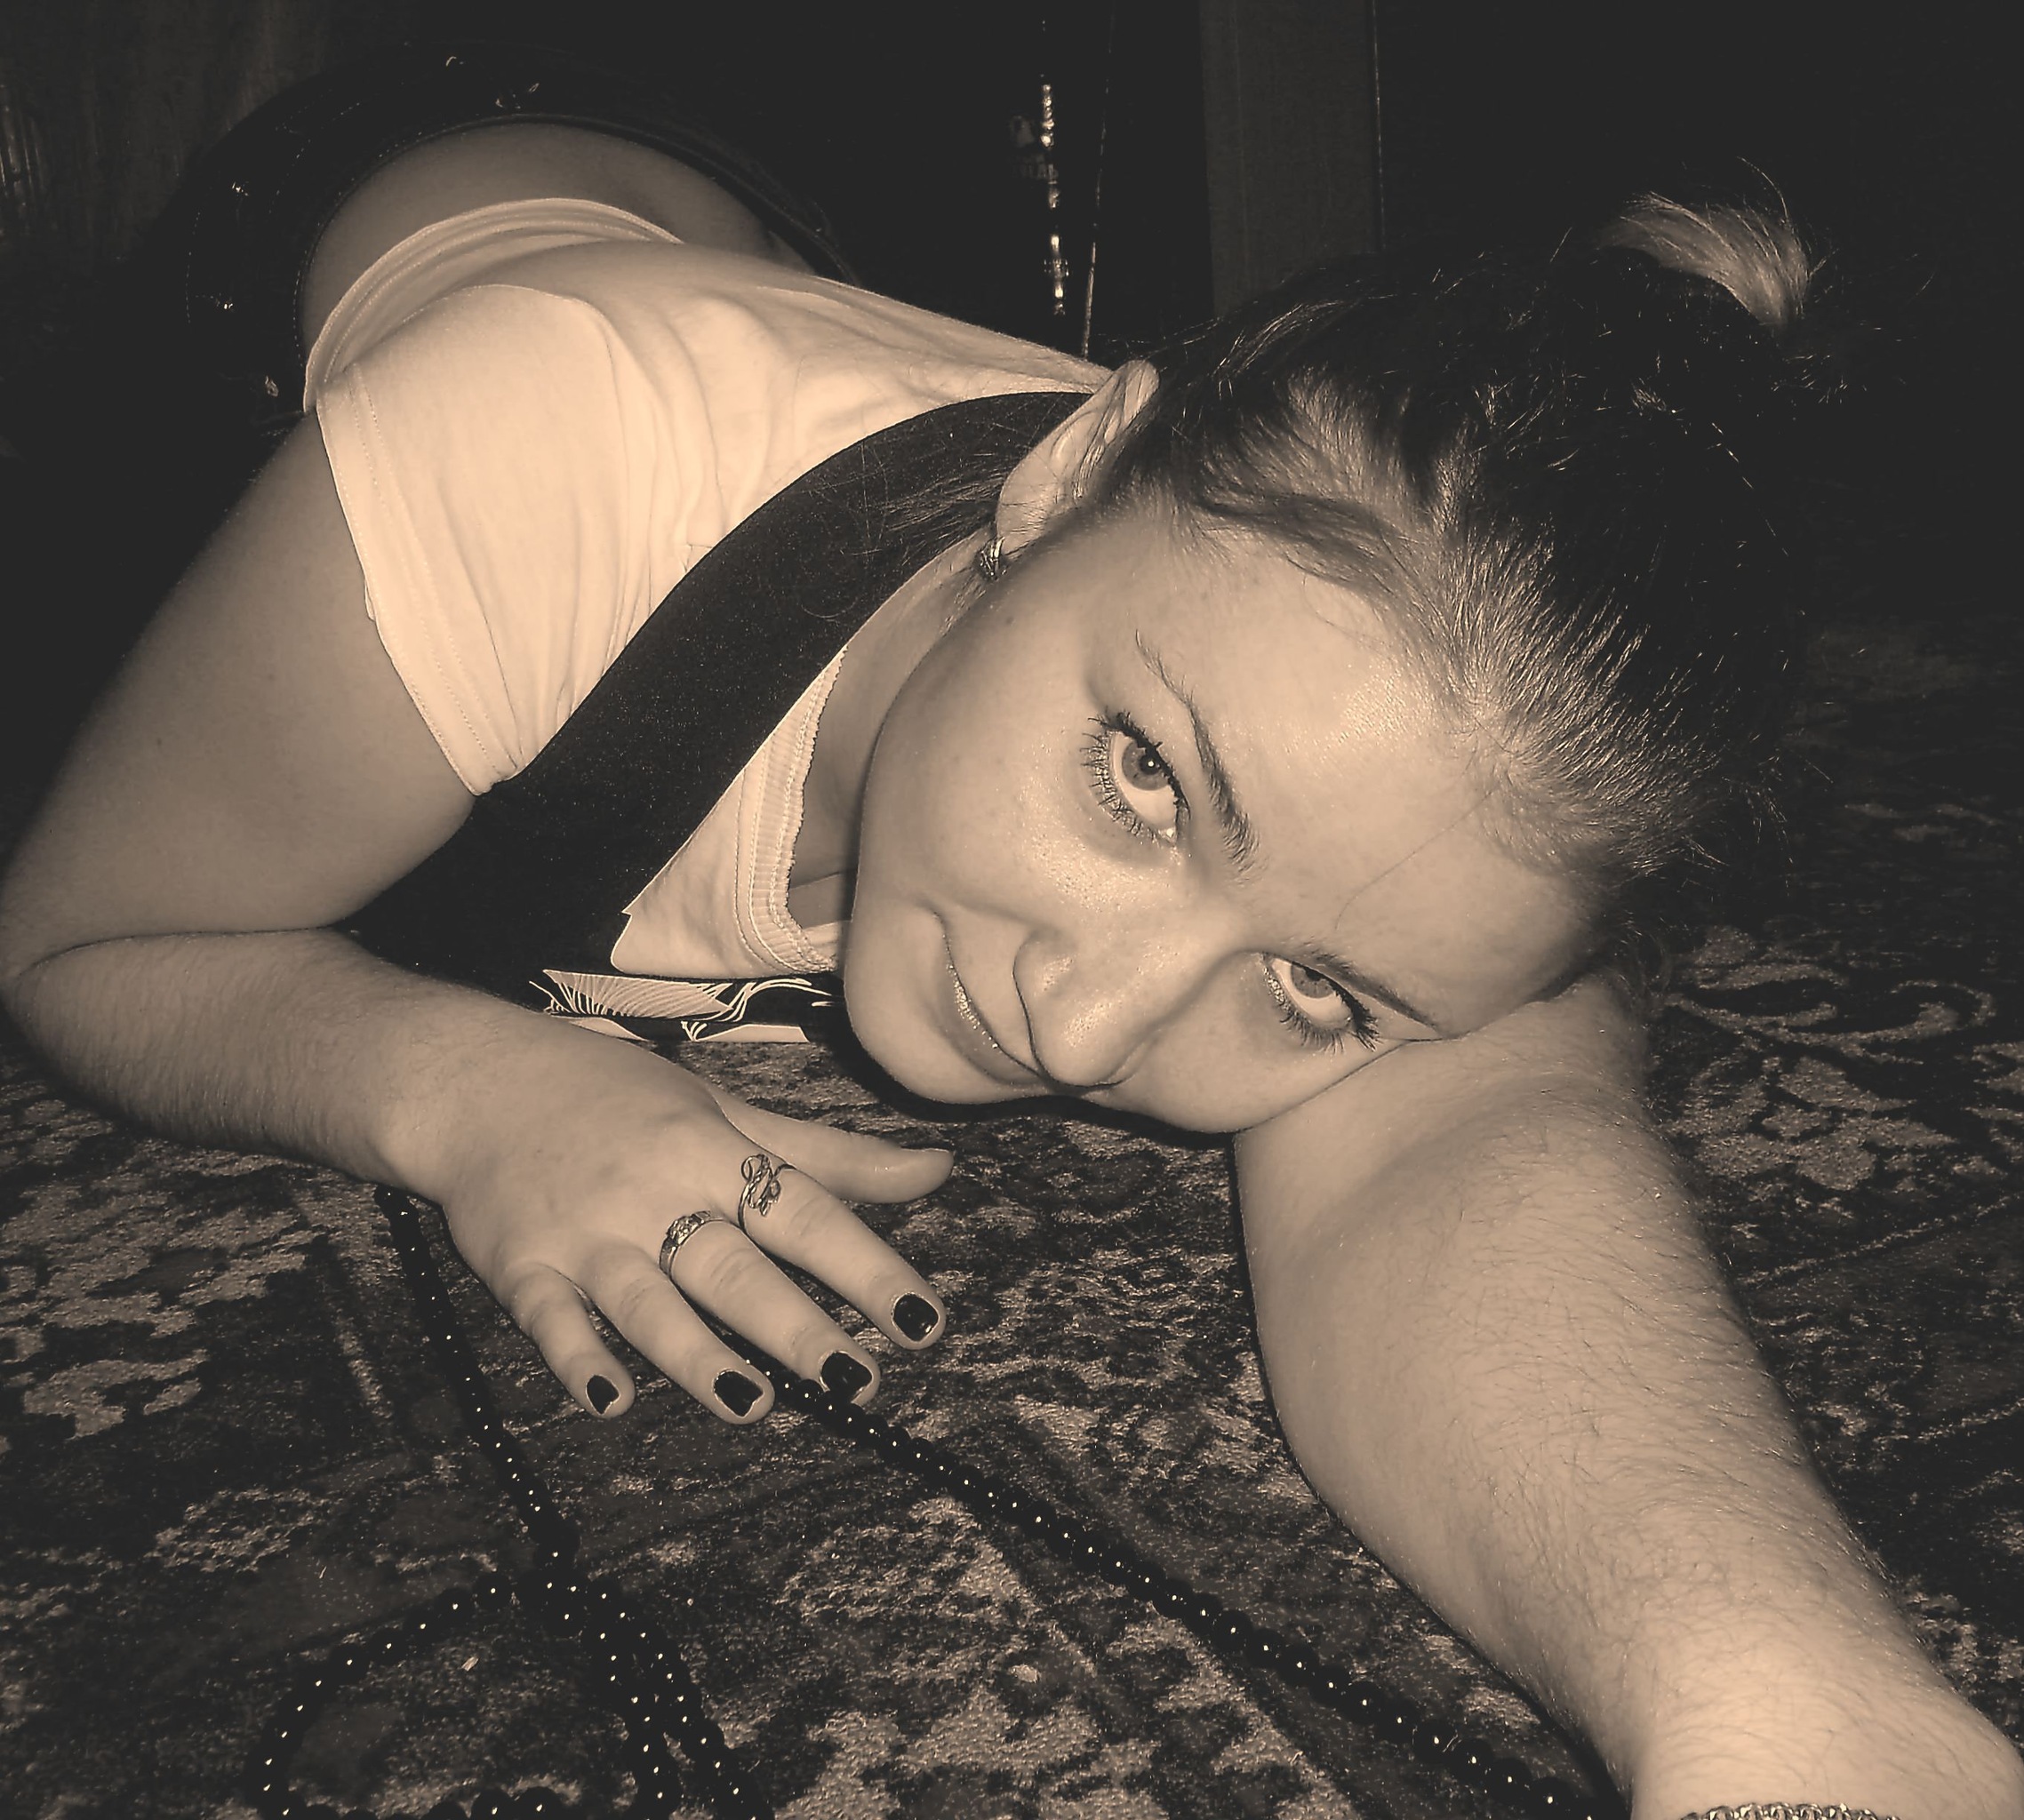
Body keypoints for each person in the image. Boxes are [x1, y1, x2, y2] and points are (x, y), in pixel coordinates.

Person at [0, 52, 2018, 1820]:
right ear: (1062, 480)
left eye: (1314, 988)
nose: (1086, 1023)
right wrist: (469, 1091)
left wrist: (1800, 1716)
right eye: (1142, 777)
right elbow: (81, 946)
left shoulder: (1419, 782)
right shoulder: (530, 459)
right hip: (347, 239)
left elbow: (1465, 1162)